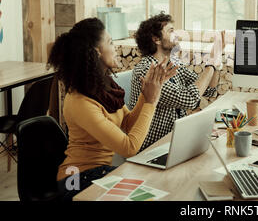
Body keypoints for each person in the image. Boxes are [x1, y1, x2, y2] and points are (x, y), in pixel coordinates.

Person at [48, 18, 178, 201]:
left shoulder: (103, 87)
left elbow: (127, 123)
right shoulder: (79, 102)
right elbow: (129, 148)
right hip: (74, 179)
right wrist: (151, 101)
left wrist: (146, 93)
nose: (115, 46)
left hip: (100, 172)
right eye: (110, 42)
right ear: (97, 52)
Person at [129, 12, 222, 150]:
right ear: (156, 39)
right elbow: (189, 99)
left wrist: (216, 60)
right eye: (171, 31)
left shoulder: (172, 64)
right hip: (150, 148)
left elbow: (209, 89)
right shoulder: (147, 72)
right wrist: (211, 64)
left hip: (173, 142)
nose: (177, 35)